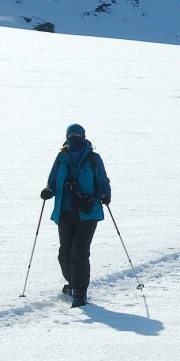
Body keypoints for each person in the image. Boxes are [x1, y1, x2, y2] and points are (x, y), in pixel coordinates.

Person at [40, 123, 112, 307]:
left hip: (89, 212)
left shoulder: (94, 158)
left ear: (83, 136)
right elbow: (53, 180)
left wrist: (105, 195)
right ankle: (73, 284)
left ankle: (80, 294)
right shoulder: (61, 158)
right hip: (65, 211)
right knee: (64, 254)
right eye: (71, 134)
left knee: (79, 252)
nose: (74, 137)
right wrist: (48, 190)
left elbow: (103, 180)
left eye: (77, 134)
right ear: (66, 137)